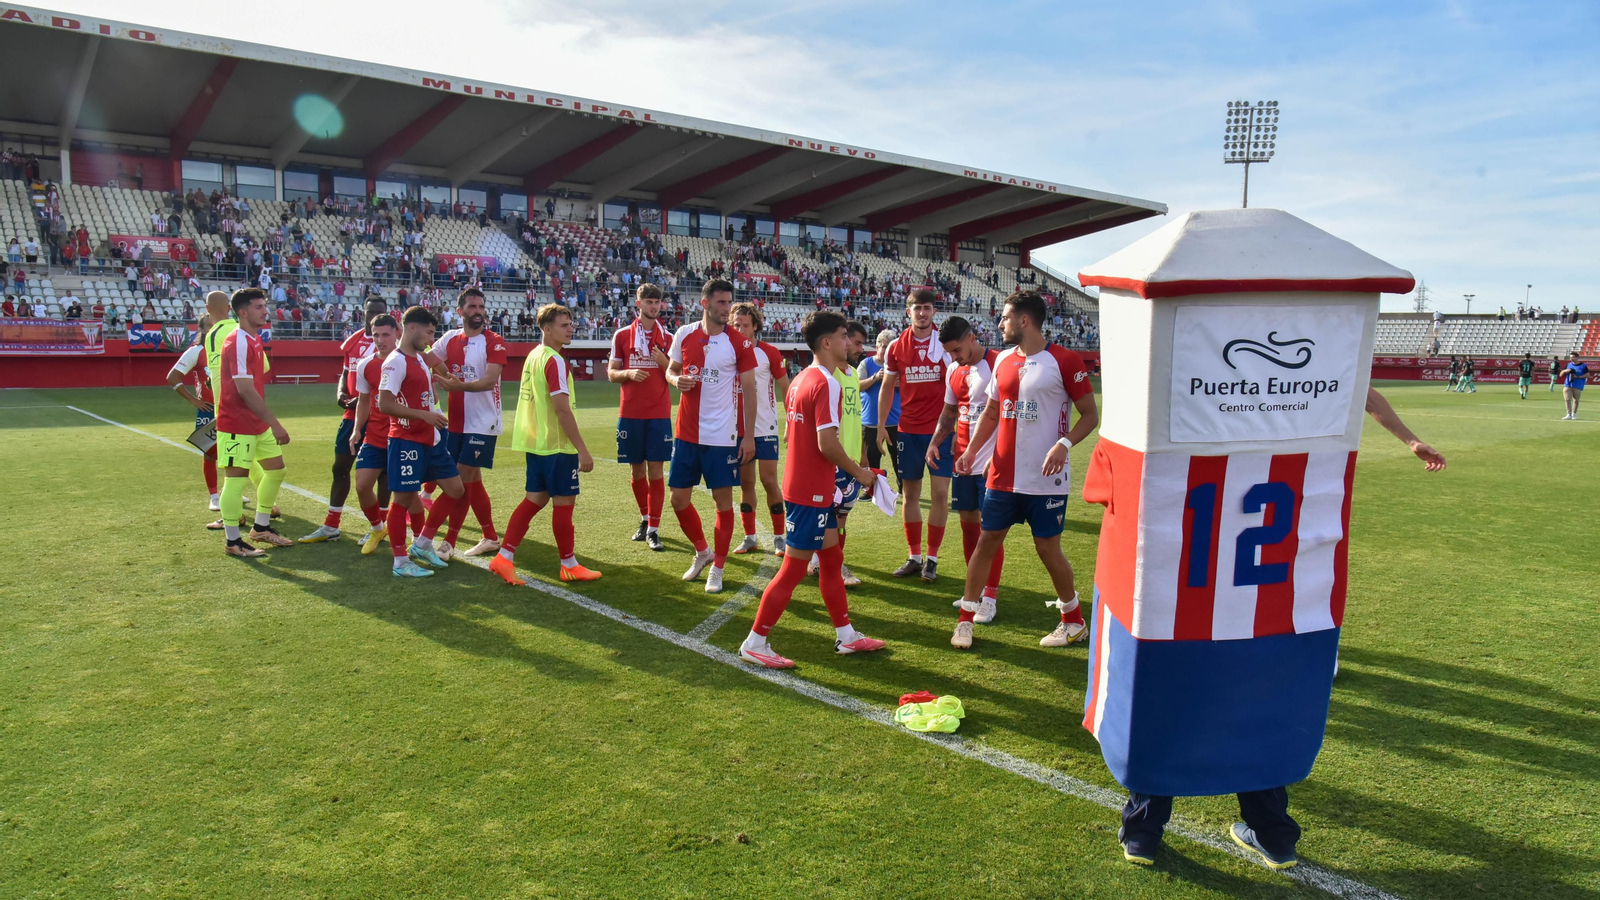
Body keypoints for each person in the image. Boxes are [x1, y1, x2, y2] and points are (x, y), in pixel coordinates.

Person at [1120, 386, 1444, 869]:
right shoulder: (1300, 382)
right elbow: (1363, 391)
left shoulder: (1197, 379)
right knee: (1259, 699)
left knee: (1169, 695)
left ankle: (1145, 831)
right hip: (1268, 579)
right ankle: (1272, 833)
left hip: (1191, 570)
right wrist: (1410, 439)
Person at [737, 311, 885, 669]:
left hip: (812, 488)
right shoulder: (826, 383)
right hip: (810, 494)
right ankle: (755, 642)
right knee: (792, 569)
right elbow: (826, 444)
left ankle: (846, 635)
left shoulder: (803, 378)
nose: (849, 342)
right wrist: (861, 473)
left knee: (831, 560)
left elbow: (797, 436)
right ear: (827, 342)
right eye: (844, 336)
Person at [951, 292, 1097, 651]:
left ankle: (1074, 621)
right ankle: (966, 621)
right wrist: (971, 450)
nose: (1001, 323)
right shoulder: (1002, 360)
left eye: (1005, 317)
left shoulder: (1064, 360)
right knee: (986, 542)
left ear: (1024, 320)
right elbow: (992, 412)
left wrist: (1063, 445)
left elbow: (1089, 415)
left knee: (1048, 549)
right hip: (1002, 475)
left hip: (1045, 478)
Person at [488, 303, 602, 584]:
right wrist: (582, 449)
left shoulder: (534, 355)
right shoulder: (554, 360)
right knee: (564, 503)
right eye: (564, 325)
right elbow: (561, 409)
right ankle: (568, 564)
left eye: (570, 324)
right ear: (547, 329)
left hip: (537, 444)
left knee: (534, 499)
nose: (571, 329)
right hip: (557, 445)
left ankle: (504, 556)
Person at [666, 279, 758, 594]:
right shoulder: (684, 334)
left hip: (721, 437)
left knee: (723, 503)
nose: (726, 308)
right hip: (686, 434)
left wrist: (748, 437)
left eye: (729, 302)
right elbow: (670, 369)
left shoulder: (739, 343)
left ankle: (717, 567)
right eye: (721, 302)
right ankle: (702, 551)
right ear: (704, 303)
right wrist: (675, 380)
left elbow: (750, 391)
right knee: (678, 499)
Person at [377, 306, 467, 578]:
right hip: (406, 441)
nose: (431, 339)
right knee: (403, 499)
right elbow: (385, 404)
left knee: (456, 489)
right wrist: (424, 415)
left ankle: (423, 543)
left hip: (431, 439)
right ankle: (400, 562)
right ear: (412, 328)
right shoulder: (395, 362)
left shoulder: (418, 358)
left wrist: (442, 383)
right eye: (428, 333)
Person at [927, 316, 1004, 623]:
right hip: (962, 461)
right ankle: (974, 590)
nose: (954, 357)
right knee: (969, 527)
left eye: (957, 350)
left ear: (972, 337)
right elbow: (949, 411)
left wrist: (999, 456)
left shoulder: (999, 364)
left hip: (990, 464)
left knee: (990, 532)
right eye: (949, 352)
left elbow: (1008, 414)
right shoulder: (953, 370)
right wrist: (935, 442)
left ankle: (990, 597)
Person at [300, 297, 388, 543]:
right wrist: (340, 393)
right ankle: (331, 525)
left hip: (379, 417)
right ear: (363, 312)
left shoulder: (389, 343)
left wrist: (363, 398)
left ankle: (381, 525)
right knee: (340, 467)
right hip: (351, 416)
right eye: (370, 312)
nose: (373, 317)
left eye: (379, 312)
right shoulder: (353, 341)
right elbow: (346, 371)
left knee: (383, 473)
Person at [428, 288, 507, 559]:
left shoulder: (494, 341)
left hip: (484, 423)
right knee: (472, 482)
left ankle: (446, 542)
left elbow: (489, 381)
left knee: (458, 482)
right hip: (458, 423)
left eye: (481, 307)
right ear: (460, 311)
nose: (478, 311)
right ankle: (490, 537)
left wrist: (457, 385)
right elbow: (428, 360)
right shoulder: (450, 338)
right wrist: (445, 375)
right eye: (472, 306)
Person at [215, 288, 294, 558]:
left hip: (256, 423)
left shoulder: (254, 339)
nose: (265, 311)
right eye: (259, 307)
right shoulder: (237, 341)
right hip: (237, 424)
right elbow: (245, 390)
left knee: (276, 471)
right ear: (243, 312)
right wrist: (275, 423)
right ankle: (233, 542)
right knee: (235, 481)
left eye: (264, 305)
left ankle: (261, 528)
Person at [608, 283, 674, 551]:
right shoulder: (622, 335)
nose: (654, 306)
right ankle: (645, 520)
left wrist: (664, 362)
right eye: (649, 302)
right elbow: (612, 373)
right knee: (636, 472)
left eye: (657, 302)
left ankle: (654, 529)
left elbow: (676, 375)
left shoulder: (668, 338)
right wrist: (628, 373)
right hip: (631, 413)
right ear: (638, 304)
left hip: (658, 414)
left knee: (656, 471)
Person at [730, 302, 790, 556]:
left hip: (766, 427)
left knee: (769, 481)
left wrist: (791, 422)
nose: (741, 330)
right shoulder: (727, 352)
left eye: (746, 325)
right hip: (738, 429)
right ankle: (750, 537)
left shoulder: (769, 352)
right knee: (746, 483)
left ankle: (779, 537)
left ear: (755, 326)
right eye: (736, 325)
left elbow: (787, 389)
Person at [348, 314, 399, 554]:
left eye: (385, 334)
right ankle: (378, 527)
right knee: (362, 486)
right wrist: (357, 430)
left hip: (402, 437)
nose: (380, 340)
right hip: (375, 436)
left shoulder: (409, 361)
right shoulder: (365, 365)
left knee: (407, 493)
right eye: (376, 335)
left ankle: (421, 540)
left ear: (397, 333)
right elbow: (364, 400)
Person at [168, 313, 220, 516]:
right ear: (202, 329)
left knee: (233, 450)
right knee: (210, 453)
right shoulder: (196, 351)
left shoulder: (227, 349)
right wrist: (194, 400)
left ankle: (230, 491)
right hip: (208, 410)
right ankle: (214, 496)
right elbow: (173, 377)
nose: (213, 328)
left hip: (229, 408)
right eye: (209, 325)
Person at [859, 330, 902, 484]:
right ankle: (872, 490)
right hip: (871, 422)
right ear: (877, 347)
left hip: (895, 421)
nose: (886, 350)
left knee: (899, 460)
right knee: (871, 460)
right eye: (883, 346)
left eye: (889, 347)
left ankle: (903, 489)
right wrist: (875, 377)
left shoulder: (899, 364)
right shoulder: (866, 364)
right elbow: (857, 385)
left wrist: (900, 384)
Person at [1560, 351, 1588, 420]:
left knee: (1576, 400)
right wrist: (1565, 371)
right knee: (1567, 399)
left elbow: (1587, 375)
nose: (1571, 359)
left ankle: (1574, 413)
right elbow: (1560, 375)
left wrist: (1577, 377)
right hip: (1568, 384)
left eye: (1573, 357)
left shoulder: (1583, 365)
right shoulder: (1568, 365)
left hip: (1578, 385)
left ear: (1577, 357)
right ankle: (1568, 414)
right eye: (1570, 357)